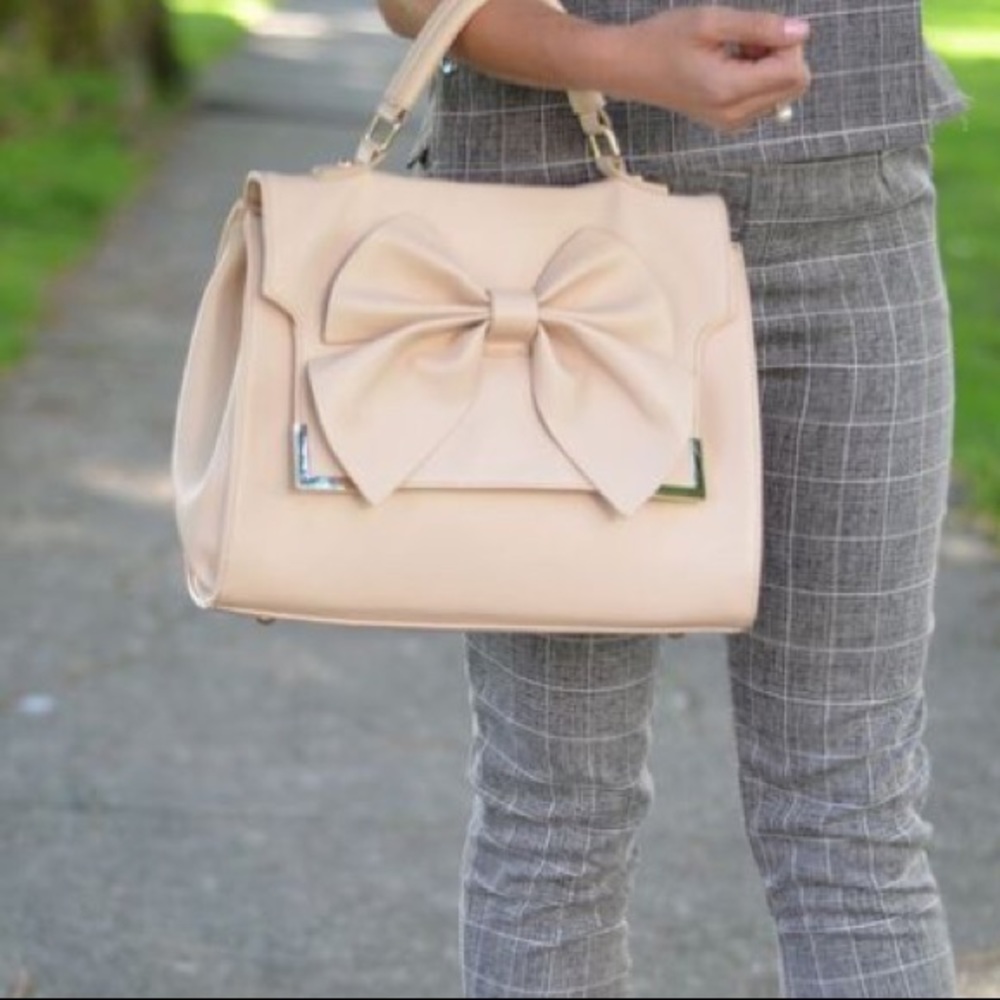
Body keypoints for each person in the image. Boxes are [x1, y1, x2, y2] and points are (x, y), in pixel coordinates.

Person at [377, 2, 967, 997]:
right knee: (558, 812)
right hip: (554, 247)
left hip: (855, 218)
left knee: (851, 808)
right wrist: (608, 57)